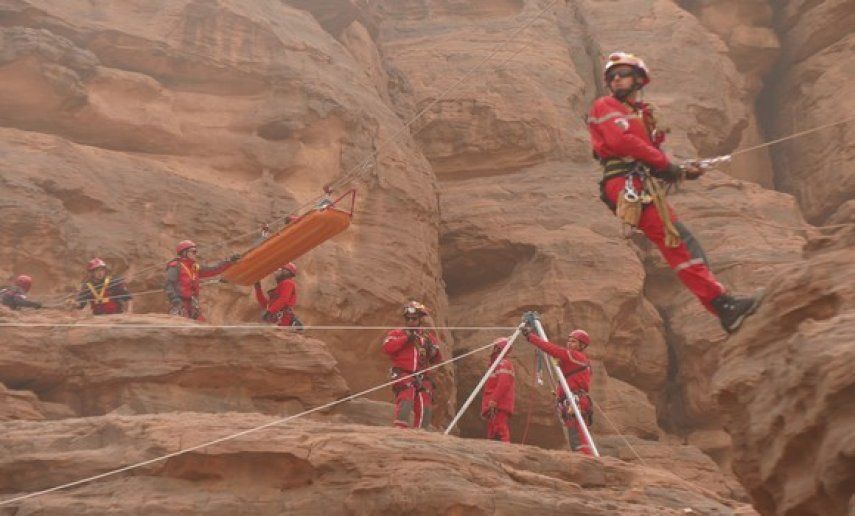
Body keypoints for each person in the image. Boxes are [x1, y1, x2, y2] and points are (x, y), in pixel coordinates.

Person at [587, 51, 763, 333]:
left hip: (639, 182)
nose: (617, 79)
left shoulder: (642, 116)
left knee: (685, 244)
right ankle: (723, 306)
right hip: (625, 183)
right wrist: (667, 165)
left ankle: (721, 304)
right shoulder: (605, 106)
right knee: (678, 244)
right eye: (613, 76)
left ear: (638, 79)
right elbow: (621, 143)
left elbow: (651, 156)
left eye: (624, 74)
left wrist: (680, 170)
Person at [522, 320, 594, 455]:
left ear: (581, 346)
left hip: (575, 400)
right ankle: (584, 457)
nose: (569, 344)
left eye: (573, 341)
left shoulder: (574, 355)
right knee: (575, 435)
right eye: (569, 341)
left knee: (578, 436)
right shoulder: (577, 359)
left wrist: (530, 337)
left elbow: (552, 350)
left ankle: (586, 459)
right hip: (572, 400)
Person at [381, 301, 443, 429]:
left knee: (424, 403)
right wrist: (406, 339)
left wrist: (432, 350)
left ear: (420, 319)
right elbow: (387, 348)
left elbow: (437, 359)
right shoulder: (396, 334)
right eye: (408, 318)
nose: (410, 321)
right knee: (406, 398)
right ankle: (400, 430)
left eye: (414, 319)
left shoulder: (428, 337)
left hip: (423, 376)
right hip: (403, 373)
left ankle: (421, 435)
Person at [164, 240, 238, 321]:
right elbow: (169, 284)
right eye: (193, 251)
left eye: (196, 251)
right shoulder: (175, 266)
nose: (196, 254)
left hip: (192, 304)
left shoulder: (194, 267)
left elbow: (213, 270)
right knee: (181, 324)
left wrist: (229, 262)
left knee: (201, 322)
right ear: (184, 252)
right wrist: (175, 300)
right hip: (180, 303)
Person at [481, 337, 516, 443]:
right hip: (495, 404)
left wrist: (494, 400)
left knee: (500, 427)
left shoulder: (503, 364)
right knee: (492, 430)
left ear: (498, 348)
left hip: (499, 404)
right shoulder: (495, 365)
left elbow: (503, 384)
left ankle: (505, 449)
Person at [253, 262, 301, 328]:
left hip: (284, 321)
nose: (275, 272)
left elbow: (283, 299)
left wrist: (269, 312)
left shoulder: (288, 283)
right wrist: (258, 288)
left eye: (278, 269)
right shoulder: (280, 287)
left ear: (285, 272)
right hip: (278, 321)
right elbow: (265, 304)